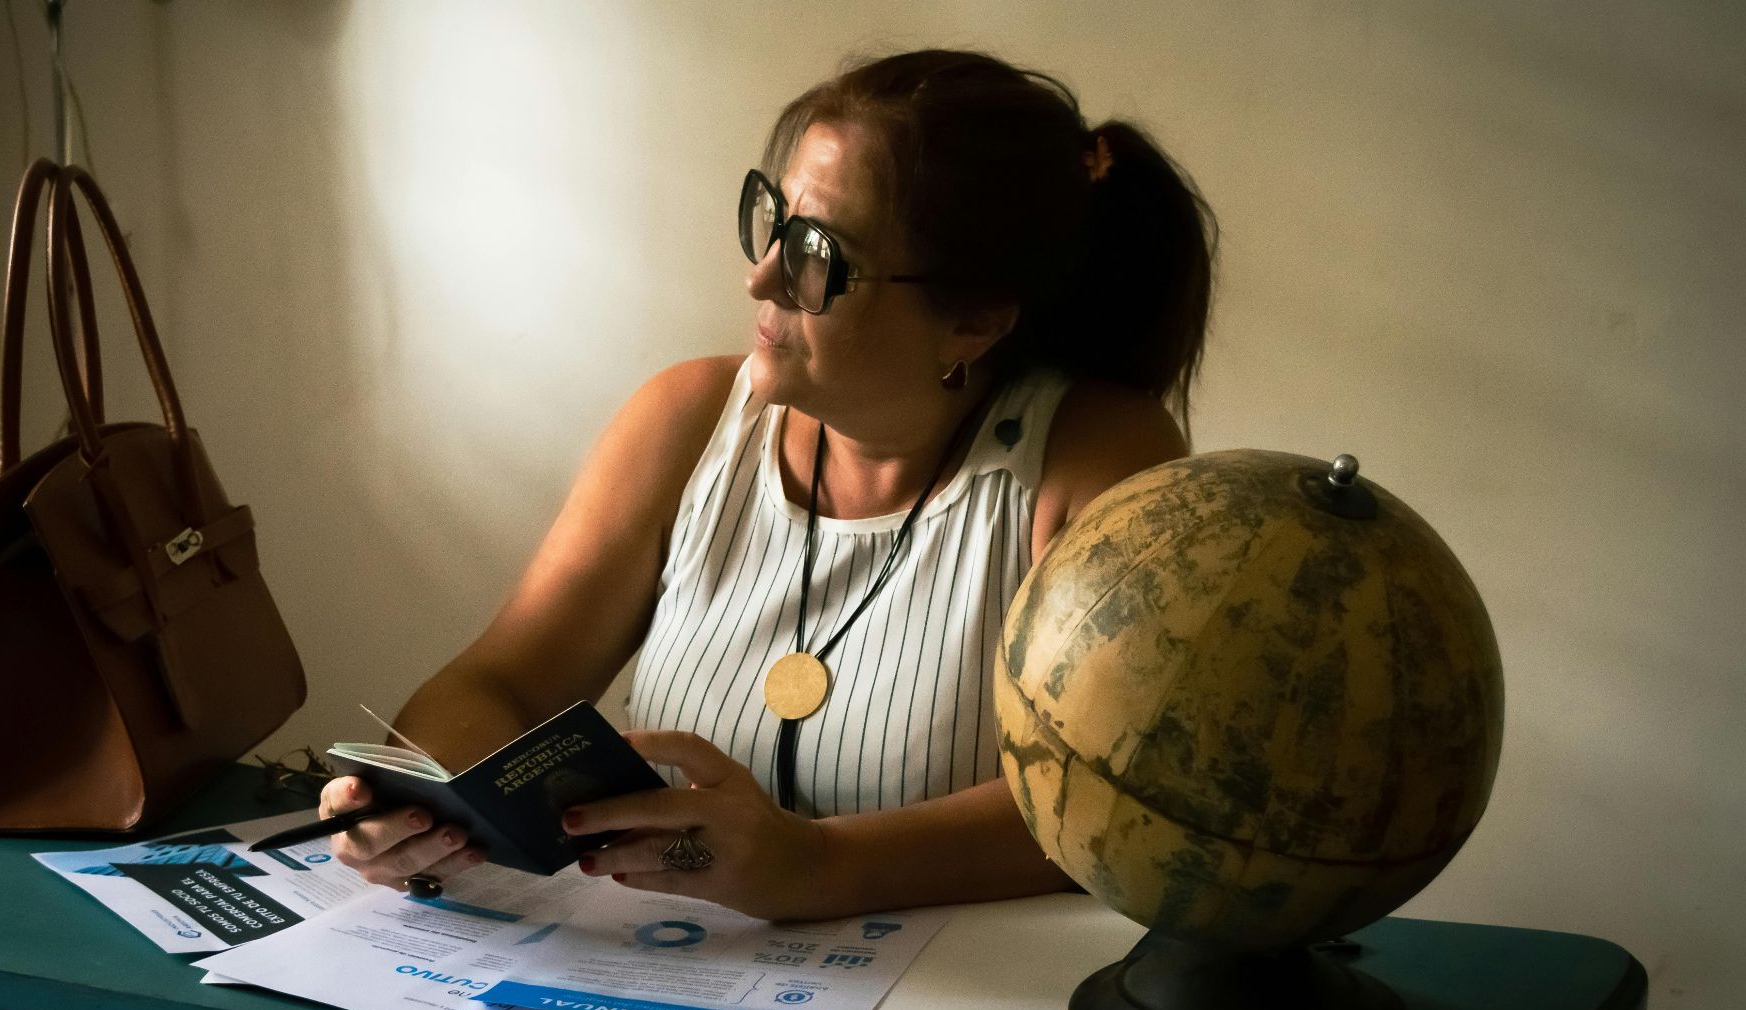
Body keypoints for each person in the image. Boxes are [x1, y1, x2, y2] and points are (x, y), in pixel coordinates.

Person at [323, 49, 1215, 921]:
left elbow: (1117, 799)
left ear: (974, 321)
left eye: (820, 251)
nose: (760, 276)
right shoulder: (684, 417)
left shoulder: (1098, 458)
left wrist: (820, 867)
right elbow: (494, 687)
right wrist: (422, 812)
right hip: (671, 980)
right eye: (774, 219)